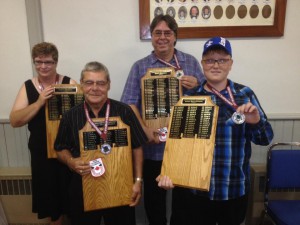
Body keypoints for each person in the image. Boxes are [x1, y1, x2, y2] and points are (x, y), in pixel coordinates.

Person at [157, 37, 274, 225]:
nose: (216, 65)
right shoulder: (189, 97)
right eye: (210, 60)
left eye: (222, 60)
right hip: (195, 191)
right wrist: (171, 173)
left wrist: (255, 122)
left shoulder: (245, 94)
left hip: (233, 189)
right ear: (202, 64)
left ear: (231, 64)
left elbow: (265, 138)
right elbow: (179, 144)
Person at [121, 15, 204, 225]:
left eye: (168, 33)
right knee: (154, 204)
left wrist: (198, 86)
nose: (163, 37)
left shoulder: (191, 63)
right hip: (152, 148)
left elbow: (207, 103)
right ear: (151, 36)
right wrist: (144, 130)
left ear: (175, 36)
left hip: (185, 147)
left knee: (184, 205)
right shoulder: (140, 67)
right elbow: (128, 103)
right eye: (158, 33)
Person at [54, 61, 147, 225]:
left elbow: (137, 147)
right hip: (83, 187)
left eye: (100, 83)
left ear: (108, 85)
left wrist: (138, 181)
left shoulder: (124, 111)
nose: (95, 88)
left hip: (120, 186)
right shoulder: (70, 116)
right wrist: (70, 161)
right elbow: (60, 148)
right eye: (89, 83)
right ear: (82, 84)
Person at [9, 42, 77, 224]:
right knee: (51, 205)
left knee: (71, 201)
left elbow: (83, 115)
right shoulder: (28, 87)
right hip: (41, 153)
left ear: (56, 62)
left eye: (47, 62)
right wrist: (39, 102)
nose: (43, 67)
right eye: (38, 62)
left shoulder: (69, 83)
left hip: (67, 150)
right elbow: (15, 120)